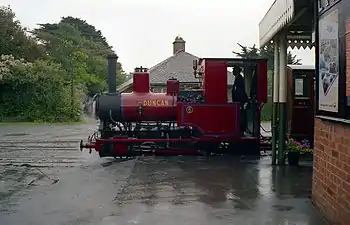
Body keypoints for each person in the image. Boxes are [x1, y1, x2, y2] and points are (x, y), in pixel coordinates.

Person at [231, 66, 248, 135]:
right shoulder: (237, 78)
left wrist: (239, 103)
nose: (233, 71)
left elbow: (240, 91)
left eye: (234, 70)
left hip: (240, 102)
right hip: (239, 101)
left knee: (241, 117)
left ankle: (241, 131)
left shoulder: (239, 79)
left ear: (237, 71)